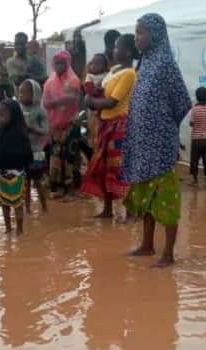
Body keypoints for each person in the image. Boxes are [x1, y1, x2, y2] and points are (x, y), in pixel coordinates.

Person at [123, 14, 192, 268]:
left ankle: (169, 254)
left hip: (160, 147)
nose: (136, 37)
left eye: (141, 32)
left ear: (156, 34)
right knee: (146, 196)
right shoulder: (145, 62)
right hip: (142, 145)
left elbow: (183, 102)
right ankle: (147, 245)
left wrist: (163, 127)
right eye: (136, 31)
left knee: (166, 199)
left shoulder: (165, 64)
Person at [83, 33, 138, 219]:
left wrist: (90, 100)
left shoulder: (130, 73)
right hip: (104, 125)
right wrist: (92, 97)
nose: (114, 50)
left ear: (128, 51)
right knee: (104, 167)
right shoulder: (113, 70)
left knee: (121, 168)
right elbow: (99, 93)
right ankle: (107, 209)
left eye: (117, 47)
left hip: (120, 127)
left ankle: (130, 212)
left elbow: (111, 102)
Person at [43, 50, 82, 199]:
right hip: (55, 126)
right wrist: (53, 103)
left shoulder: (73, 80)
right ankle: (59, 188)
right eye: (56, 63)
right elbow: (46, 101)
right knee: (55, 157)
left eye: (62, 63)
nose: (58, 66)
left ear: (67, 64)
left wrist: (55, 102)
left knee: (70, 157)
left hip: (71, 123)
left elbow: (72, 98)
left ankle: (72, 190)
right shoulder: (50, 81)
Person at [0, 99, 32, 234]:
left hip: (17, 174)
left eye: (2, 114)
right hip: (3, 173)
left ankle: (19, 230)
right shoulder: (0, 131)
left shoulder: (19, 133)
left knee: (17, 204)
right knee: (4, 203)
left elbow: (27, 154)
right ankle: (8, 229)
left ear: (13, 115)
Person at [19, 79, 50, 213]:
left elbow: (45, 130)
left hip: (36, 153)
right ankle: (27, 210)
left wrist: (31, 129)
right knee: (24, 183)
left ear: (35, 94)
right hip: (22, 153)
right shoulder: (18, 109)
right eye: (20, 93)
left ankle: (44, 208)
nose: (21, 96)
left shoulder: (40, 111)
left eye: (24, 93)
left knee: (37, 182)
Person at [189, 86, 206, 187]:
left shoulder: (195, 109)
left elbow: (191, 123)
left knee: (194, 160)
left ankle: (195, 181)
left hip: (196, 139)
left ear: (197, 97)